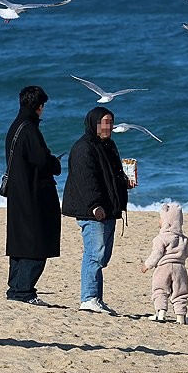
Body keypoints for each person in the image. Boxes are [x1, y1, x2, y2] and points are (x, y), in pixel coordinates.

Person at [61, 106, 136, 314]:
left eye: (111, 122)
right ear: (94, 123)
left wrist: (125, 183)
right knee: (94, 254)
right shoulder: (83, 148)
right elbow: (86, 180)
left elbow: (111, 176)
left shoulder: (109, 145)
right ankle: (88, 298)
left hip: (108, 208)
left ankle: (96, 298)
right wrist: (95, 205)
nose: (108, 126)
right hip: (92, 210)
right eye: (104, 122)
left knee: (102, 255)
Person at [4, 85, 61, 305]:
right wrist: (54, 163)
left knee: (20, 243)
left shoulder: (15, 127)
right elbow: (41, 160)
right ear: (38, 106)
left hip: (18, 194)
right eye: (42, 106)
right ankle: (24, 291)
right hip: (33, 195)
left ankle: (16, 289)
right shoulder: (29, 129)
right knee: (35, 243)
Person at [140, 203, 188, 324]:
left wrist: (147, 265)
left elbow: (156, 254)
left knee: (160, 289)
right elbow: (186, 253)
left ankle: (161, 313)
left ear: (167, 222)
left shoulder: (161, 238)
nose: (159, 221)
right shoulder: (183, 239)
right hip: (180, 268)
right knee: (180, 292)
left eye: (161, 219)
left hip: (163, 267)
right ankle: (181, 317)